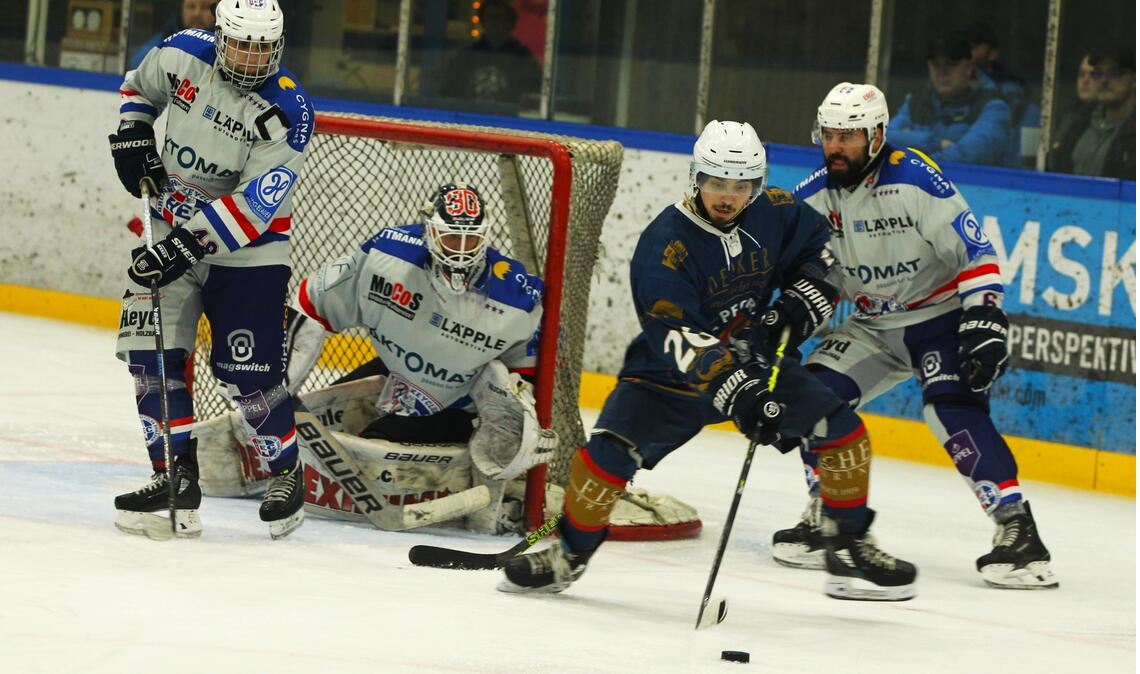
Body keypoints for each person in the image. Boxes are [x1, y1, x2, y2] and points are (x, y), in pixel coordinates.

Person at [498, 120, 918, 602]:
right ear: (697, 177)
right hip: (667, 376)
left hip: (756, 359)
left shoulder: (775, 211)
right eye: (717, 183)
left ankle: (847, 545)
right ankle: (568, 557)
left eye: (741, 186)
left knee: (842, 433)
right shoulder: (664, 244)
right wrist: (739, 391)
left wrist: (804, 299)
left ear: (756, 185)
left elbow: (824, 251)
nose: (728, 197)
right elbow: (677, 334)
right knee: (606, 456)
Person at [771, 82, 1057, 590]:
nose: (837, 146)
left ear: (878, 135)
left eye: (850, 136)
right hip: (870, 327)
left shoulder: (916, 178)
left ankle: (1018, 529)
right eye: (830, 135)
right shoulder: (813, 196)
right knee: (812, 398)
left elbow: (975, 252)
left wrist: (985, 315)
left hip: (938, 317)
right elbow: (813, 275)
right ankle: (830, 515)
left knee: (951, 408)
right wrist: (792, 314)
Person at [108, 0, 314, 540]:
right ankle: (174, 475)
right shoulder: (181, 53)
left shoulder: (289, 112)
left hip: (248, 253)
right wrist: (134, 136)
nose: (251, 58)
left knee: (248, 375)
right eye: (242, 44)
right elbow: (138, 89)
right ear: (219, 37)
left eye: (263, 48)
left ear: (279, 46)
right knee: (150, 357)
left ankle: (286, 474)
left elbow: (253, 208)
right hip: (170, 227)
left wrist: (179, 248)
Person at [280, 183, 551, 530]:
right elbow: (311, 304)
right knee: (315, 414)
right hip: (395, 375)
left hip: (458, 405)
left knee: (375, 441)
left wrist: (522, 429)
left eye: (472, 240)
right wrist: (277, 386)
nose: (462, 251)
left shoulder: (517, 295)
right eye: (452, 238)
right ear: (430, 231)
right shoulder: (388, 256)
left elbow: (523, 380)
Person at [889, 33, 1014, 167]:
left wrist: (909, 147)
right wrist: (937, 143)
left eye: (951, 64)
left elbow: (967, 157)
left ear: (968, 68)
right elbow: (885, 139)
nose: (942, 72)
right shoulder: (916, 102)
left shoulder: (993, 107)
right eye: (935, 64)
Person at [1047, 47, 1135, 180]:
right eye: (1098, 74)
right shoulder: (1078, 122)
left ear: (1134, 79)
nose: (1104, 80)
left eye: (1114, 73)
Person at [960, 22, 1041, 166]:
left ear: (992, 54)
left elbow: (1019, 163)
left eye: (972, 48)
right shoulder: (943, 95)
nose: (964, 55)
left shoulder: (1017, 103)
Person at [440, 0, 541, 111]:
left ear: (511, 22)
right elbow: (449, 94)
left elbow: (533, 98)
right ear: (482, 21)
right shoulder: (466, 56)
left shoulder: (523, 58)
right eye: (490, 17)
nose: (495, 22)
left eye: (500, 17)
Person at [129, 0, 217, 70]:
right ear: (181, 8)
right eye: (191, 6)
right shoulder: (157, 46)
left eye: (206, 7)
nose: (197, 14)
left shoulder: (228, 48)